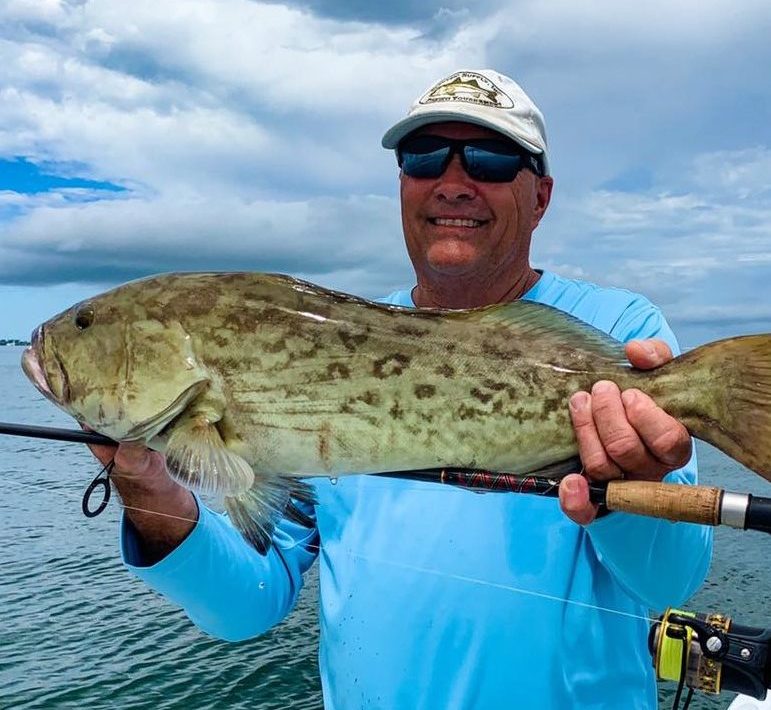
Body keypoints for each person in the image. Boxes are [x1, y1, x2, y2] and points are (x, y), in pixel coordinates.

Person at [89, 69, 712, 709]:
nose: (452, 181)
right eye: (423, 157)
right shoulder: (323, 346)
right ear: (402, 184)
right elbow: (247, 604)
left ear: (542, 197)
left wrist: (630, 492)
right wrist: (147, 489)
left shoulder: (618, 334)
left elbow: (671, 578)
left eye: (492, 159)